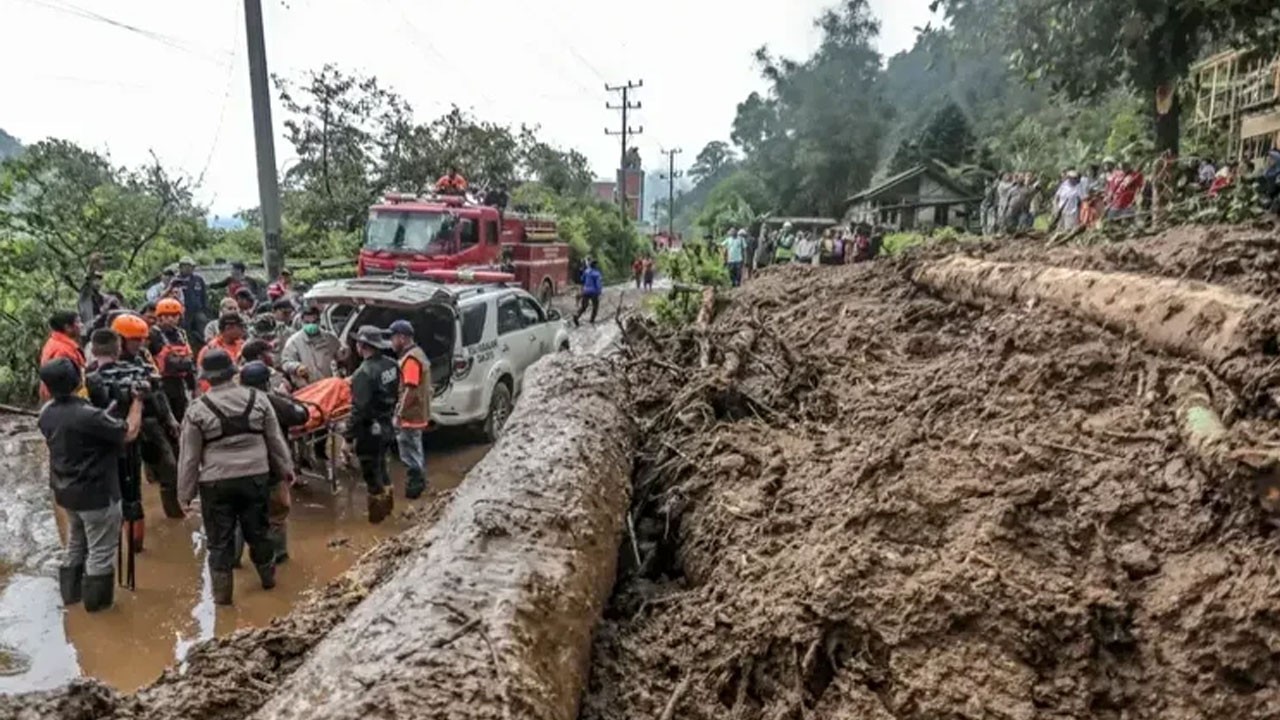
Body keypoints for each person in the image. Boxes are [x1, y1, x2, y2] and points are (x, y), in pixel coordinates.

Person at [179, 349, 292, 605]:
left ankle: (223, 601)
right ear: (233, 372)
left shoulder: (197, 409)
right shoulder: (258, 399)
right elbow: (275, 440)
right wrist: (287, 469)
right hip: (256, 477)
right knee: (259, 532)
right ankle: (268, 583)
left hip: (215, 483)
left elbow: (189, 458)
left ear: (206, 378)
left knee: (219, 542)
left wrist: (184, 494)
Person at [39, 357, 142, 612]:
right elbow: (128, 432)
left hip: (66, 493)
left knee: (75, 544)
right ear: (78, 380)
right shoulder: (88, 416)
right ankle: (98, 610)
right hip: (97, 494)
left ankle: (71, 600)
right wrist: (138, 401)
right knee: (100, 552)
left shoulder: (46, 413)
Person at [111, 313, 183, 522]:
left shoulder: (143, 356)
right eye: (135, 339)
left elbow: (158, 390)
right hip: (125, 425)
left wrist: (169, 418)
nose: (140, 343)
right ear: (122, 340)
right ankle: (134, 520)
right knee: (131, 477)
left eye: (142, 339)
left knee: (170, 467)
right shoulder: (108, 365)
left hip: (152, 420)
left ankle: (174, 513)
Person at [239, 360, 307, 563]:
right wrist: (287, 397)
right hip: (271, 467)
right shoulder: (272, 402)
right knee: (277, 514)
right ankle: (278, 556)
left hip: (238, 469)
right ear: (266, 383)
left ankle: (233, 561)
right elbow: (302, 415)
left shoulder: (228, 401)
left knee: (240, 515)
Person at [344, 326, 399, 523]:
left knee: (370, 471)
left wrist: (348, 438)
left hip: (370, 430)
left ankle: (378, 519)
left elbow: (359, 409)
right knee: (382, 466)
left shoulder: (364, 373)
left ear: (362, 345)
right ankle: (389, 508)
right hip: (387, 423)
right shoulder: (392, 365)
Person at [389, 320, 430, 500]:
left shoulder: (411, 359)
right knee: (415, 448)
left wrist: (399, 414)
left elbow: (410, 389)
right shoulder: (418, 353)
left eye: (393, 337)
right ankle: (420, 484)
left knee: (410, 452)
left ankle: (416, 488)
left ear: (402, 338)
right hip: (418, 412)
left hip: (411, 416)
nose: (391, 342)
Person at [150, 298, 196, 422]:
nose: (171, 319)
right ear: (159, 317)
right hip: (162, 382)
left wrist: (193, 386)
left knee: (182, 413)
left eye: (174, 316)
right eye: (167, 316)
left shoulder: (181, 334)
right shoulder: (153, 334)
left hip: (180, 381)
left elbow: (190, 359)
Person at [281, 305, 341, 387]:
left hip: (328, 386)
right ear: (302, 321)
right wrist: (296, 367)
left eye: (314, 322)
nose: (311, 325)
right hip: (307, 388)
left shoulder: (330, 339)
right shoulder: (294, 342)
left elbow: (340, 356)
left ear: (319, 321)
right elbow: (285, 362)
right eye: (307, 323)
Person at [39, 311, 86, 401]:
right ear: (67, 327)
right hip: (64, 400)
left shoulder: (53, 342)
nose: (82, 325)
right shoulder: (63, 351)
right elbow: (64, 382)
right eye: (78, 322)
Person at [177, 257, 209, 352]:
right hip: (184, 312)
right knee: (185, 332)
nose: (189, 269)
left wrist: (205, 309)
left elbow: (203, 295)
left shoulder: (198, 280)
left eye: (191, 267)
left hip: (198, 310)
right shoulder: (176, 281)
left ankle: (206, 347)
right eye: (186, 266)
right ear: (181, 267)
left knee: (203, 324)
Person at [573, 259, 603, 327]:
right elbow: (598, 284)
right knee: (595, 306)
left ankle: (577, 316)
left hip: (585, 291)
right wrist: (599, 292)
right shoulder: (597, 274)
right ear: (595, 266)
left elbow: (582, 279)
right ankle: (592, 321)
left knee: (584, 306)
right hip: (594, 292)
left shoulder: (586, 271)